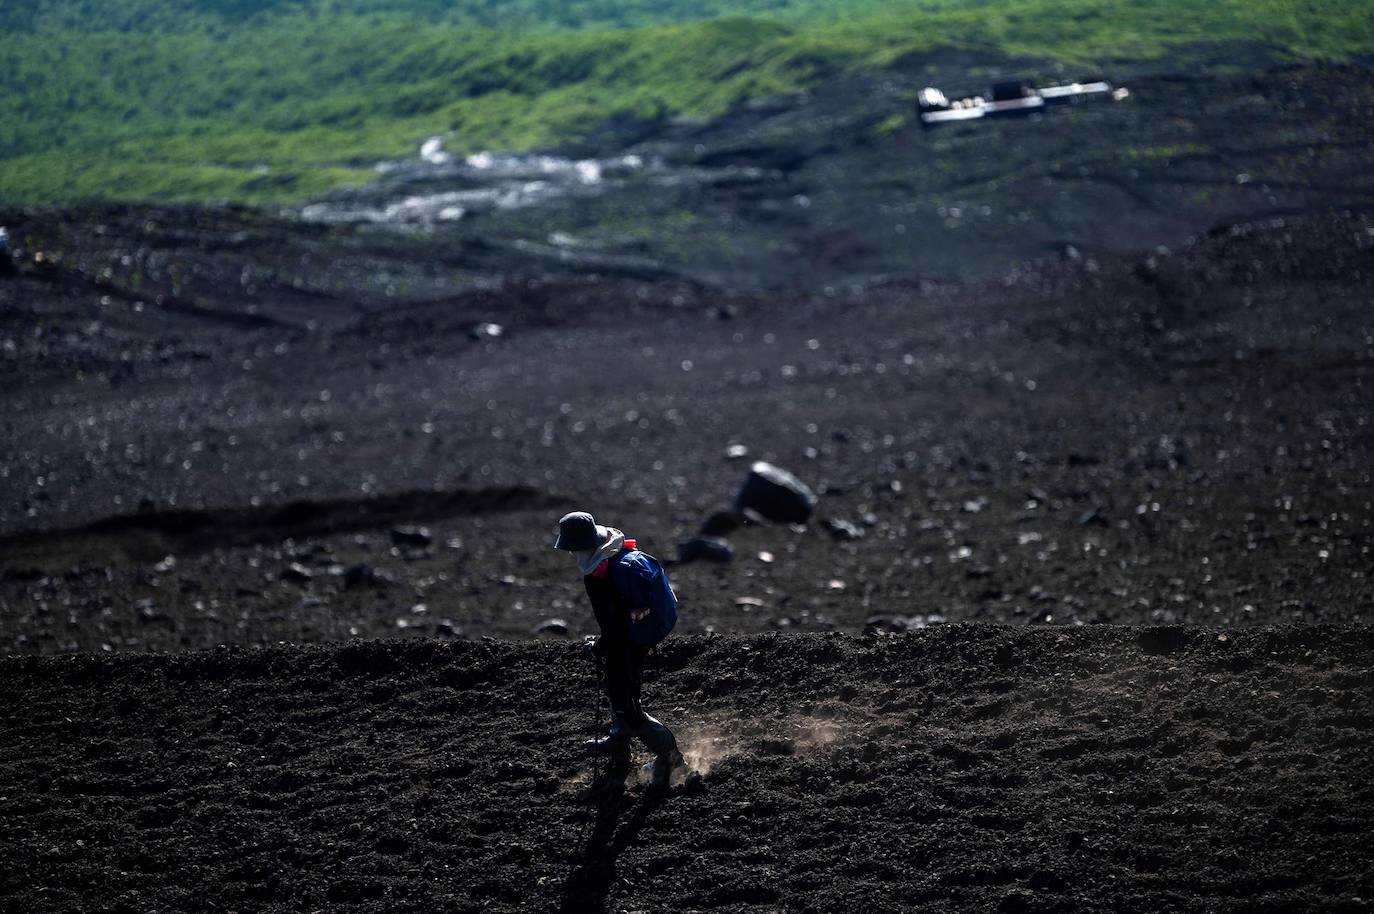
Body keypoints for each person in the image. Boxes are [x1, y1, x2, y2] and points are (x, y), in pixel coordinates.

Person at [553, 510, 685, 787]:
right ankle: (618, 743)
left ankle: (672, 760)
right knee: (618, 687)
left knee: (628, 707)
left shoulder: (604, 574)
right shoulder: (611, 557)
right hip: (635, 638)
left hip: (629, 642)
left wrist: (602, 645)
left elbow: (616, 626)